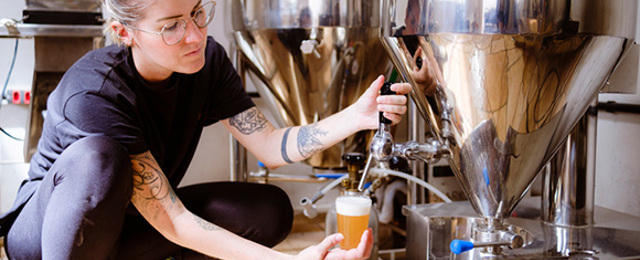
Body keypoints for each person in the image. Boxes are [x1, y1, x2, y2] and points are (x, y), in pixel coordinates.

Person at [0, 0, 411, 259]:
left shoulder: (206, 62)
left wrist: (355, 116)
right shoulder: (94, 91)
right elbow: (172, 218)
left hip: (131, 228)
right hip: (47, 237)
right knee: (99, 159)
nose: (195, 35)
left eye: (197, 12)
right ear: (125, 33)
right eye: (171, 25)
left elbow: (268, 145)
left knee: (268, 210)